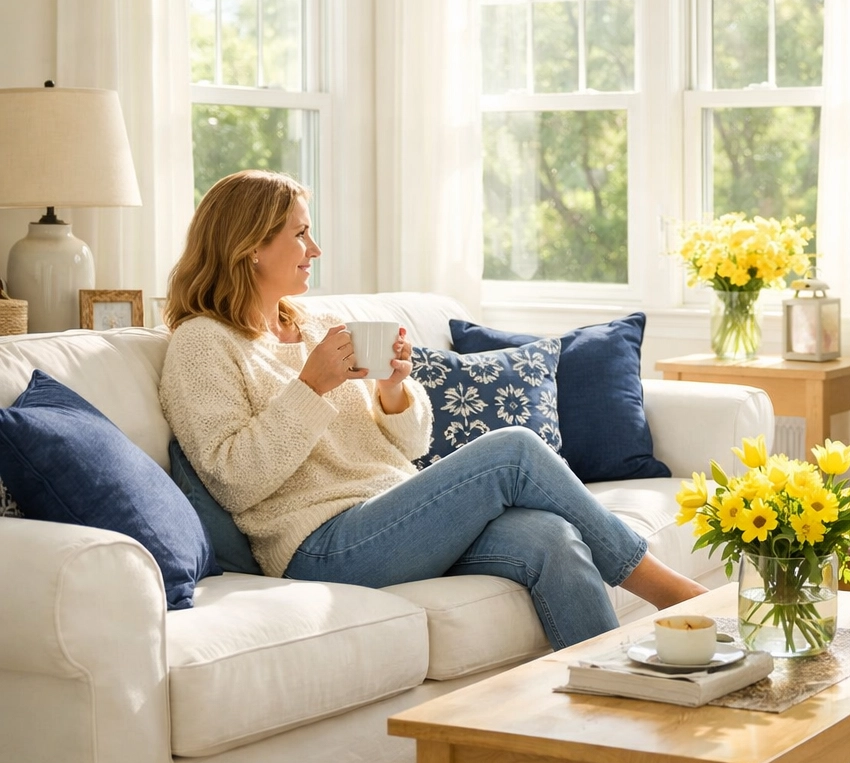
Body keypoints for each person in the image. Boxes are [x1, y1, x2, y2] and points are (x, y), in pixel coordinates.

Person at [159, 171, 707, 648]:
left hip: (393, 513)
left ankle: (606, 713)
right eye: (301, 234)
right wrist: (312, 386)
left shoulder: (313, 326)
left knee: (551, 538)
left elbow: (411, 448)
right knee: (513, 450)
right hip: (320, 546)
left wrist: (395, 391)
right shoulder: (203, 344)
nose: (316, 249)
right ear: (251, 245)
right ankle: (677, 597)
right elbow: (232, 480)